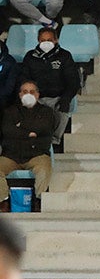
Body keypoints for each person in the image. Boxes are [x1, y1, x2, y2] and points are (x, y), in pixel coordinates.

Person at [20, 26, 79, 152]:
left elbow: (73, 81)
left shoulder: (64, 56)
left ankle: (54, 141)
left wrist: (66, 98)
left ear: (56, 40)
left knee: (62, 109)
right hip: (37, 98)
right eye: (43, 40)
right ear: (38, 41)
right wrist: (29, 95)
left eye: (49, 40)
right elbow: (24, 78)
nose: (46, 43)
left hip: (57, 97)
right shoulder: (30, 57)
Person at [0, 81, 57, 210]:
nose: (28, 94)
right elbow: (7, 130)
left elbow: (44, 128)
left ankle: (39, 201)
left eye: (32, 92)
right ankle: (3, 201)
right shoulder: (10, 112)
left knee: (44, 169)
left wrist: (19, 129)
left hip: (36, 154)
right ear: (20, 94)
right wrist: (29, 133)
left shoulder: (46, 112)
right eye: (25, 92)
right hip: (11, 155)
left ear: (37, 95)